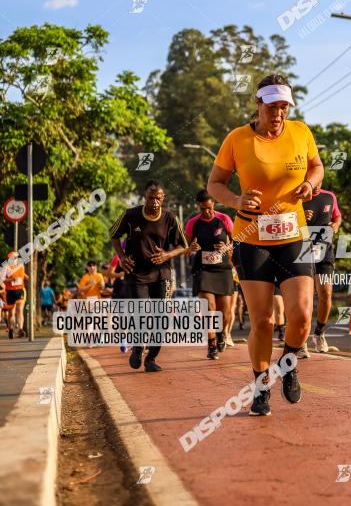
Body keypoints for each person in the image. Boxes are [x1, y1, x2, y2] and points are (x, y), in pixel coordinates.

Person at [207, 73, 324, 416]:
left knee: (301, 315)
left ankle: (288, 363)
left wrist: (310, 185)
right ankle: (260, 387)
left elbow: (316, 167)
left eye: (284, 106)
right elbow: (214, 184)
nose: (278, 114)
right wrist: (236, 200)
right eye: (272, 106)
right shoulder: (237, 139)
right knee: (262, 321)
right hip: (252, 240)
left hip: (294, 236)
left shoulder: (301, 132)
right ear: (258, 104)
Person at [110, 180, 188, 373]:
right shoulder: (130, 215)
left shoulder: (171, 219)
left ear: (163, 199)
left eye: (158, 198)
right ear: (144, 197)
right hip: (136, 274)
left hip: (162, 273)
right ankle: (137, 347)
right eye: (151, 198)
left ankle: (151, 358)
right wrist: (121, 257)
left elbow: (184, 246)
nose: (154, 202)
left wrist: (167, 255)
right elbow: (113, 235)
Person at [184, 190, 234, 360]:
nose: (207, 212)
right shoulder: (193, 223)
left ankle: (221, 334)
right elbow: (185, 247)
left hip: (223, 269)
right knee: (209, 307)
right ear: (198, 206)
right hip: (203, 269)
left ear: (214, 203)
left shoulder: (224, 219)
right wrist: (192, 248)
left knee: (225, 312)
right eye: (203, 208)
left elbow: (236, 240)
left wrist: (226, 248)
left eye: (209, 207)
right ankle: (211, 344)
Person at [302, 186, 342, 353]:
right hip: (301, 253)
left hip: (324, 253)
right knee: (305, 299)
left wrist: (335, 225)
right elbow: (284, 222)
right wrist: (300, 218)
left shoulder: (330, 196)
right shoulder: (298, 197)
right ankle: (300, 340)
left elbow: (337, 217)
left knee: (325, 293)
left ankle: (319, 333)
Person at [3, 252, 28, 338]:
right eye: (12, 258)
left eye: (16, 257)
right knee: (11, 313)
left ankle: (20, 329)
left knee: (20, 310)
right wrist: (11, 279)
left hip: (20, 290)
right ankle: (10, 329)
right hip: (10, 292)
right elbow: (2, 280)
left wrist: (25, 276)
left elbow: (22, 275)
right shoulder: (5, 267)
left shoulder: (21, 266)